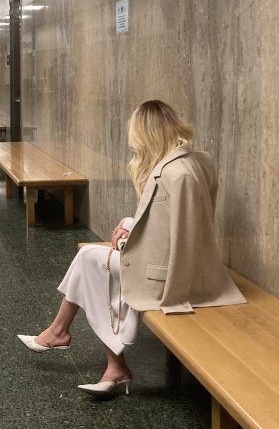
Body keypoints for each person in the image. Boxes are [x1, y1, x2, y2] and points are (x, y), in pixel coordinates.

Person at [17, 100, 245, 396]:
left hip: (175, 277)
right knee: (98, 265)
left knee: (91, 260)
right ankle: (100, 357)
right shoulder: (195, 161)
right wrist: (130, 223)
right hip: (173, 265)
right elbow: (165, 223)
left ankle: (65, 335)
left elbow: (179, 238)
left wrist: (126, 244)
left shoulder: (175, 174)